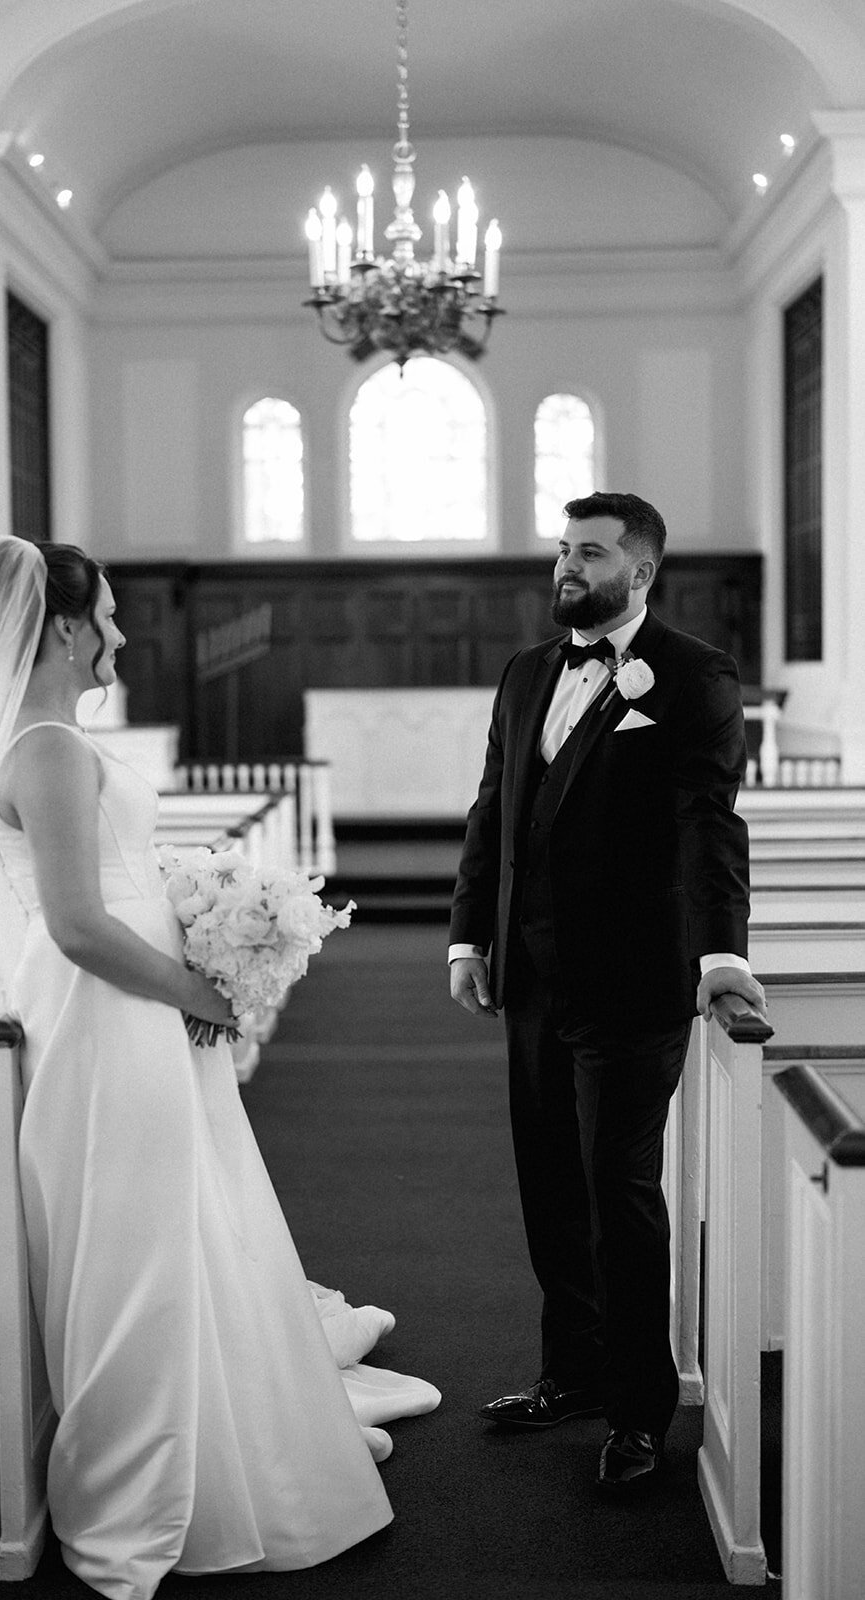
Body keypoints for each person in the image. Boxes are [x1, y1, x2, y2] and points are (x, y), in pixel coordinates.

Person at [0, 535, 438, 1598]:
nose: (122, 635)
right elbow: (78, 925)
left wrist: (191, 916)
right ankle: (141, 1485)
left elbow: (107, 891)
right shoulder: (43, 746)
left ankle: (210, 1426)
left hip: (127, 1005)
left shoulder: (55, 740)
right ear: (69, 628)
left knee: (179, 1215)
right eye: (111, 617)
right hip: (103, 1012)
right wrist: (198, 992)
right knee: (137, 1242)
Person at [448, 492, 765, 1494]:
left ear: (641, 570)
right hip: (530, 977)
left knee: (617, 1190)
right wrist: (468, 932)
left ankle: (637, 1410)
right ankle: (570, 1372)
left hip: (632, 981)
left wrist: (719, 957)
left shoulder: (693, 675)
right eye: (560, 550)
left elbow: (705, 824)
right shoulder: (525, 671)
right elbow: (494, 806)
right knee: (549, 1180)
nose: (565, 568)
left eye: (588, 553)